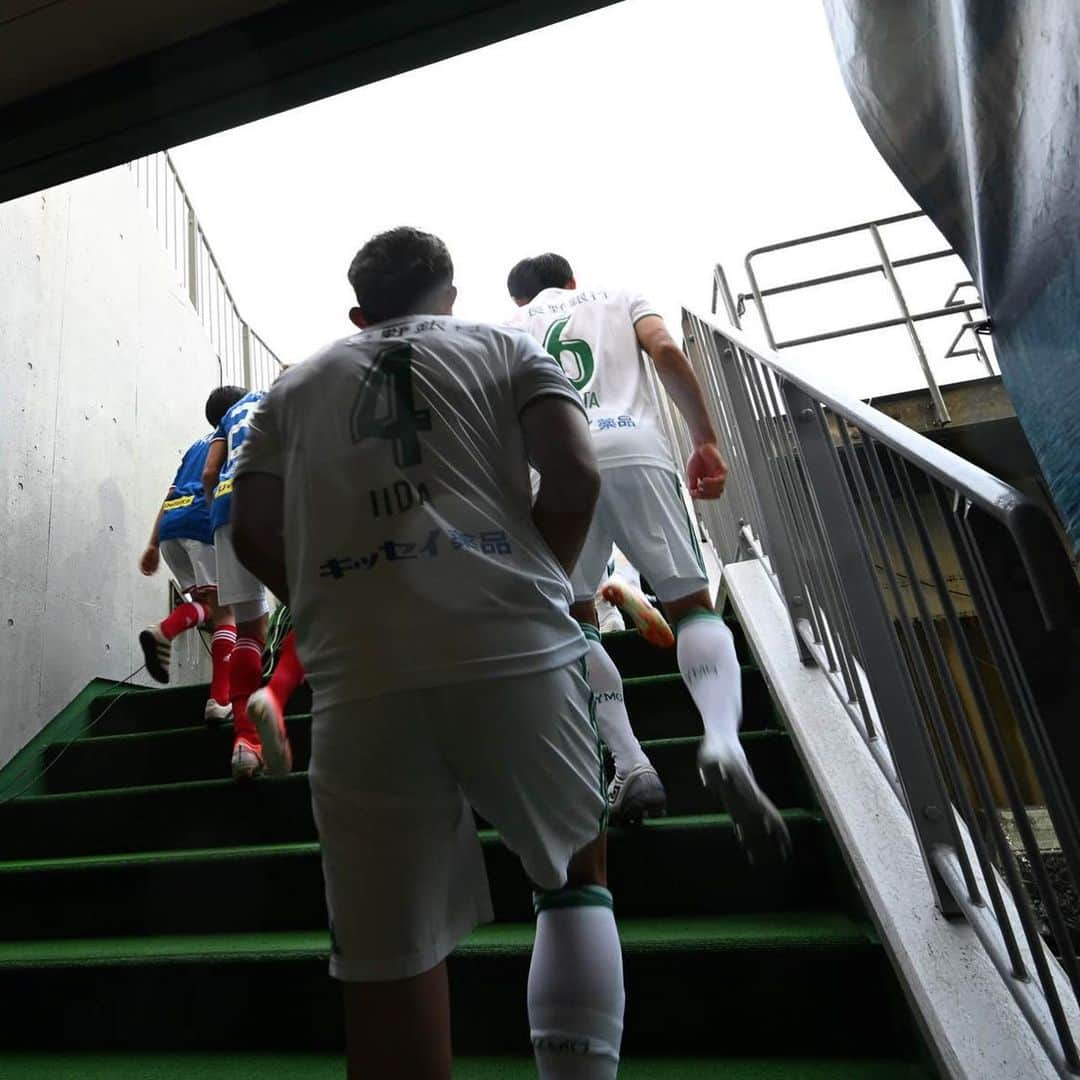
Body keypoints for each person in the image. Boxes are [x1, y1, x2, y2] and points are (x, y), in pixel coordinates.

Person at [230, 227, 624, 1080]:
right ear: (449, 294)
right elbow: (576, 472)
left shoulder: (292, 387)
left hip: (357, 678)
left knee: (386, 953)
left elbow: (251, 529)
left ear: (357, 311)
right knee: (573, 872)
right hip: (516, 647)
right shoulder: (504, 346)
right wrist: (536, 575)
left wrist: (331, 598)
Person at [508, 253, 790, 860]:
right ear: (571, 280)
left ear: (520, 297)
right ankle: (720, 739)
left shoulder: (510, 330)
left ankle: (632, 762)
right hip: (634, 446)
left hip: (555, 467)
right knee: (691, 607)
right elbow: (665, 351)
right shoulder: (617, 295)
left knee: (575, 621)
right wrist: (704, 438)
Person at [138, 387, 246, 723]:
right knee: (227, 613)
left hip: (173, 526)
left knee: (212, 610)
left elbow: (171, 492)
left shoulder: (196, 446)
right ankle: (218, 701)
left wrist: (154, 543)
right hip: (204, 522)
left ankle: (166, 630)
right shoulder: (233, 435)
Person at [202, 386, 270, 781]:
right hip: (275, 496)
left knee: (248, 627)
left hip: (228, 509)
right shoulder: (273, 394)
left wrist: (215, 511)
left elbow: (210, 472)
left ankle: (246, 742)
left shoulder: (226, 421)